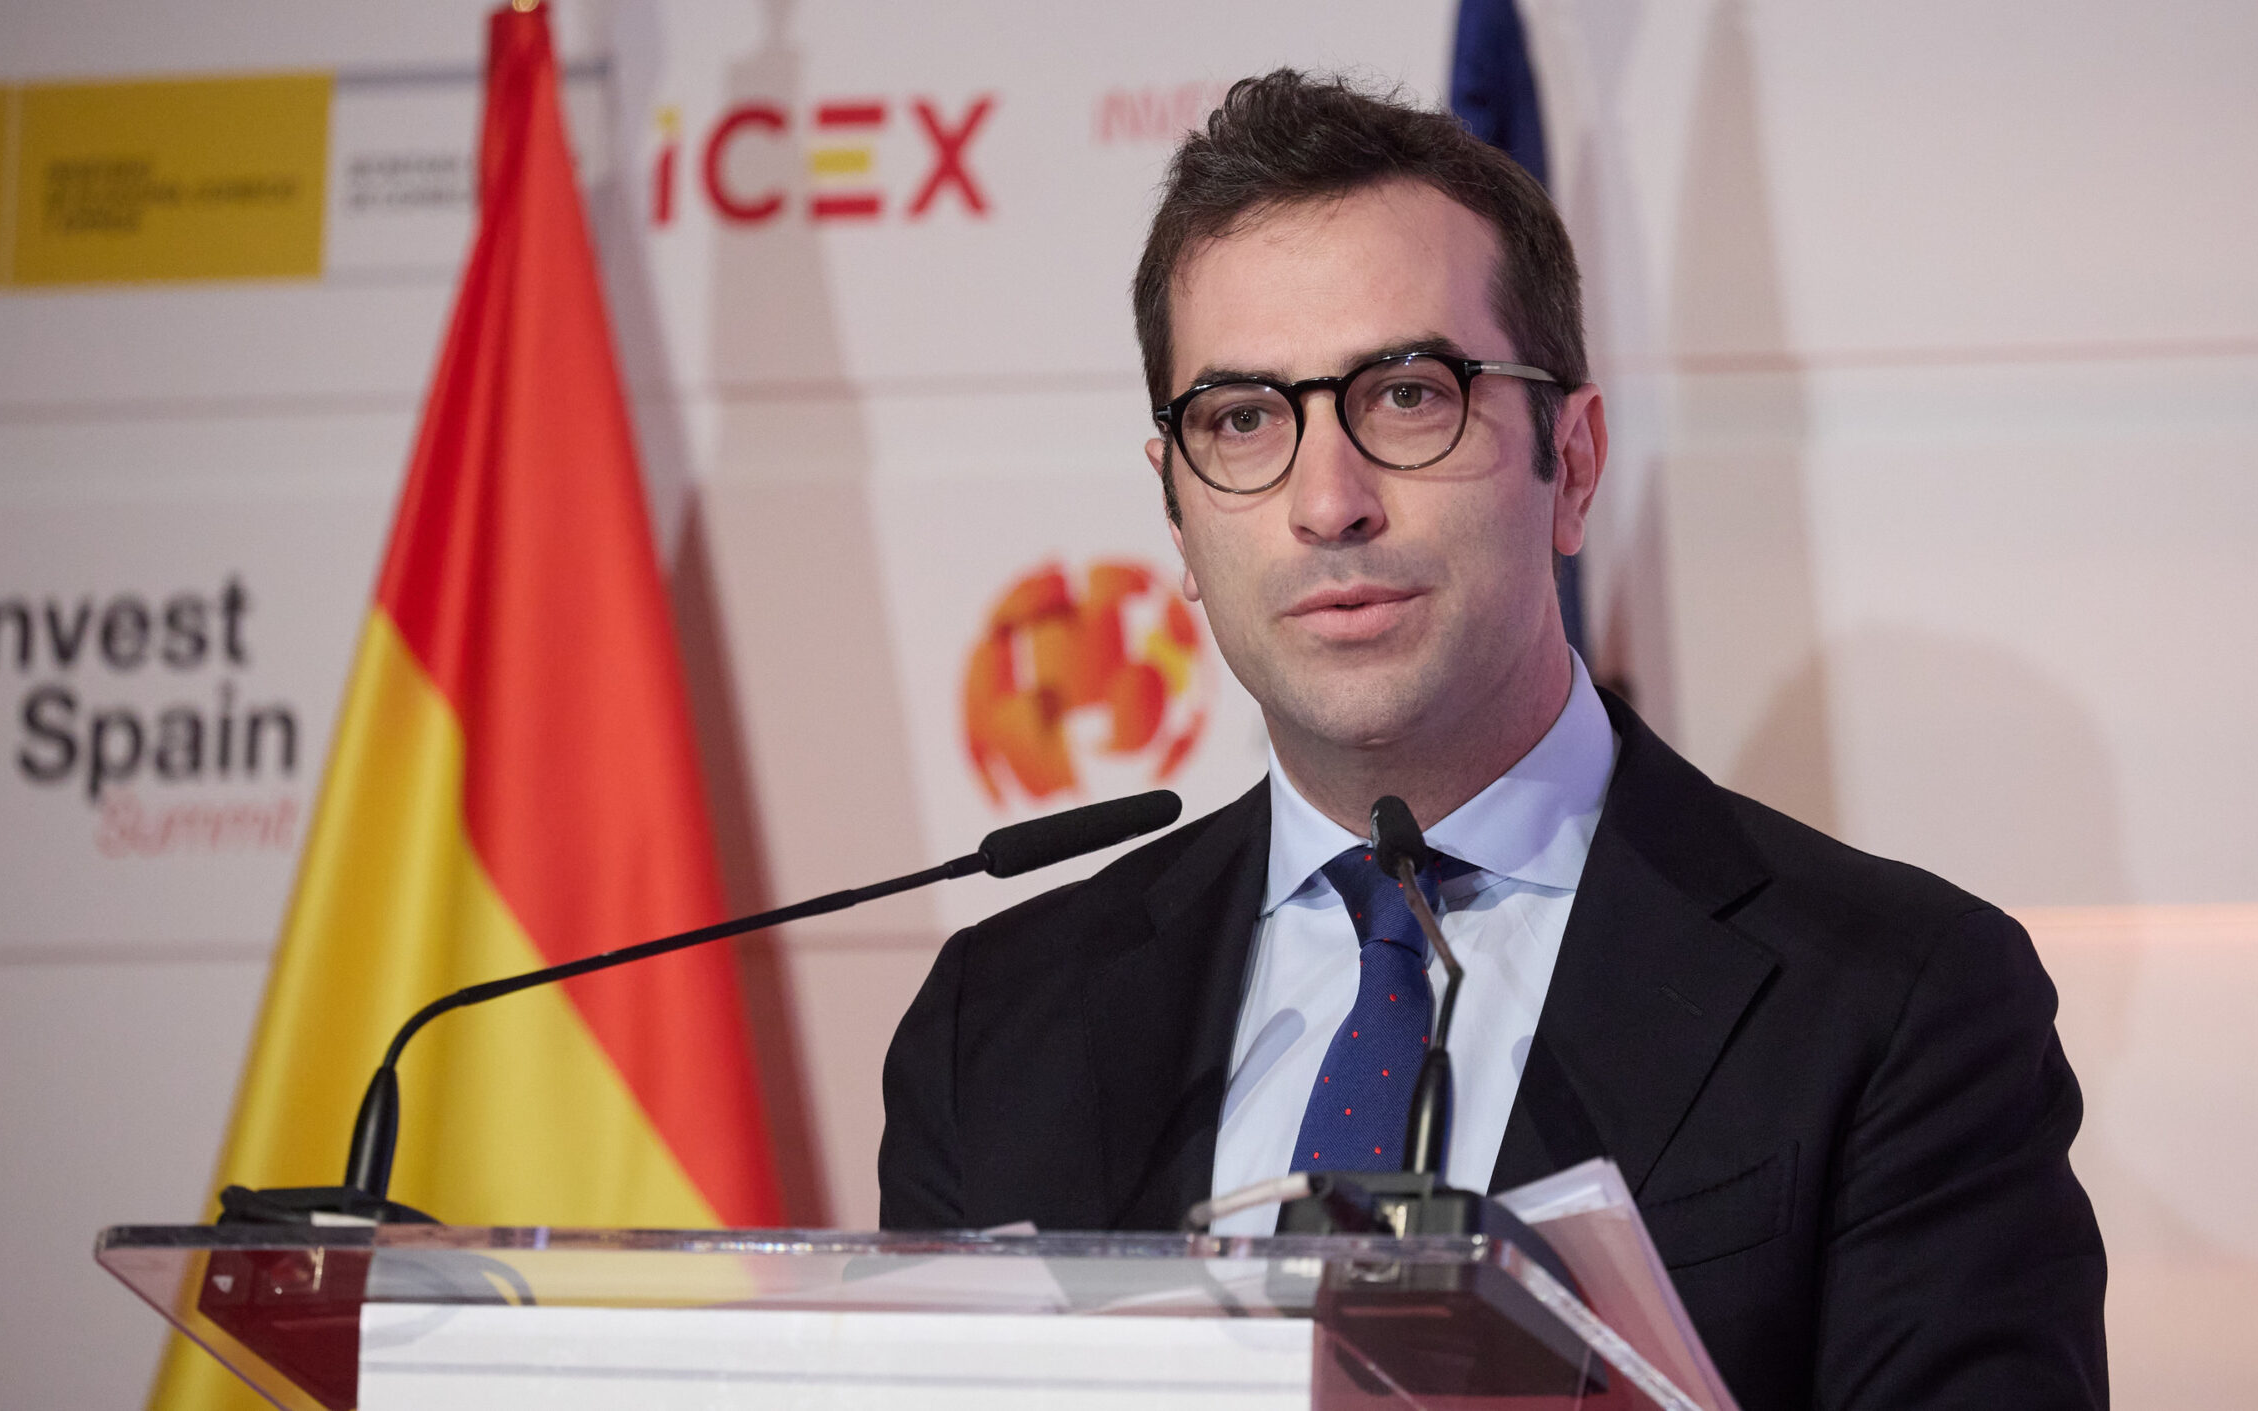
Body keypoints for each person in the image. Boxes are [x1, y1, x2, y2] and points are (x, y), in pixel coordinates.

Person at [880, 70, 2108, 1409]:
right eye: (1241, 420)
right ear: (1176, 514)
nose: (1328, 501)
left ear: (1569, 464)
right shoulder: (998, 1026)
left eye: (1409, 396)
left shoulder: (1896, 1003)